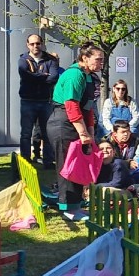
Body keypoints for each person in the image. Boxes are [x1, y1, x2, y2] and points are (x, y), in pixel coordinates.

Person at [49, 44, 105, 219]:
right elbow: (71, 106)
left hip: (76, 122)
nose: (101, 63)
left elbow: (87, 108)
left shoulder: (88, 76)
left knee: (79, 164)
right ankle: (68, 208)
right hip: (63, 123)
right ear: (85, 58)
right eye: (98, 59)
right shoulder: (74, 75)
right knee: (68, 164)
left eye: (102, 60)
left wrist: (90, 132)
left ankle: (76, 205)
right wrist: (82, 133)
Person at [16, 34, 60, 166]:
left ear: (42, 44)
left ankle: (48, 161)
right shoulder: (23, 60)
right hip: (27, 101)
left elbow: (53, 77)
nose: (35, 46)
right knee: (26, 133)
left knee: (47, 133)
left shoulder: (51, 60)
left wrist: (35, 77)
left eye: (38, 43)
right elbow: (25, 76)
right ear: (27, 45)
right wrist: (43, 76)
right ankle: (25, 161)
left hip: (45, 101)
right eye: (32, 44)